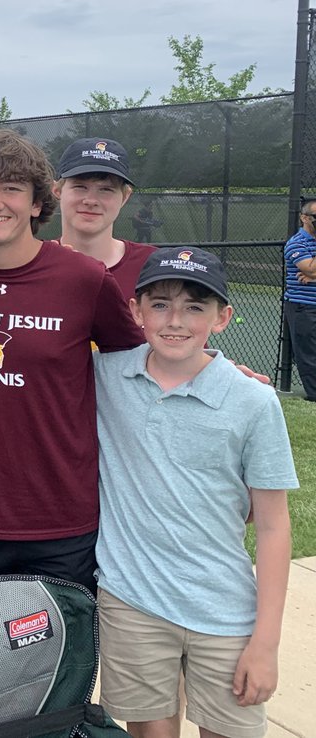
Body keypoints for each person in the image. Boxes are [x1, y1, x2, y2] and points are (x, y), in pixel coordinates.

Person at [0, 129, 143, 593]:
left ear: (39, 203)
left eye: (12, 188)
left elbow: (137, 364)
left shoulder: (86, 279)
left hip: (60, 519)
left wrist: (218, 372)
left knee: (60, 662)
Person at [94, 246, 296, 738]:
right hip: (131, 600)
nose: (176, 320)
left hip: (223, 608)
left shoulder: (253, 399)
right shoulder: (104, 376)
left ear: (223, 318)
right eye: (160, 304)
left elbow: (272, 525)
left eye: (196, 306)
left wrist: (265, 643)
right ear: (136, 311)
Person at [54, 137, 156, 297]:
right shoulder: (31, 264)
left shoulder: (154, 266)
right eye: (80, 187)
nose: (91, 201)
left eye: (106, 189)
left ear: (125, 197)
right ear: (57, 191)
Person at [283, 201, 316, 401]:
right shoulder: (296, 243)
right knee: (308, 351)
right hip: (304, 306)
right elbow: (309, 268)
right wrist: (312, 274)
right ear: (304, 217)